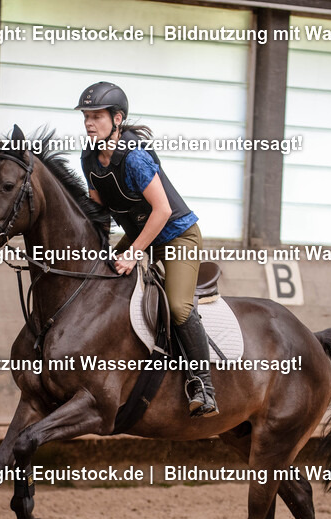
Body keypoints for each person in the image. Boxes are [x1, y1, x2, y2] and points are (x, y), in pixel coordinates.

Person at [75, 81, 218, 418]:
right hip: (140, 233)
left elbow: (163, 211)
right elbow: (100, 215)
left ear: (117, 118)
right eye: (85, 117)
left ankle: (203, 385)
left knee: (179, 307)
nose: (89, 123)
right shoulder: (89, 159)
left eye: (96, 116)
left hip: (175, 235)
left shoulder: (135, 157)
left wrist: (133, 252)